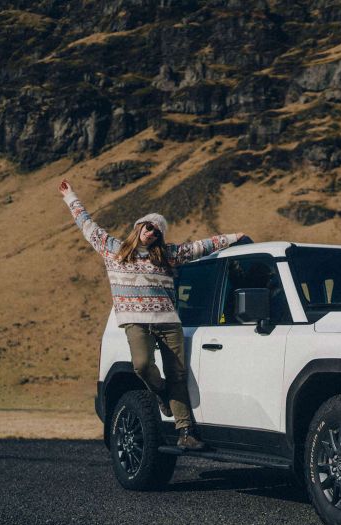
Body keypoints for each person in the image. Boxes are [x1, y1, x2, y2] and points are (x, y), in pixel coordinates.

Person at [58, 179, 243, 450]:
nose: (152, 233)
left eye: (157, 232)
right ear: (139, 226)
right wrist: (70, 196)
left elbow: (198, 247)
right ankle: (161, 392)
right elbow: (87, 225)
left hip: (169, 322)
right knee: (142, 365)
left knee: (177, 374)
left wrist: (233, 238)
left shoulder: (166, 255)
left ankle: (185, 432)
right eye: (149, 227)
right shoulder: (113, 250)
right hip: (136, 322)